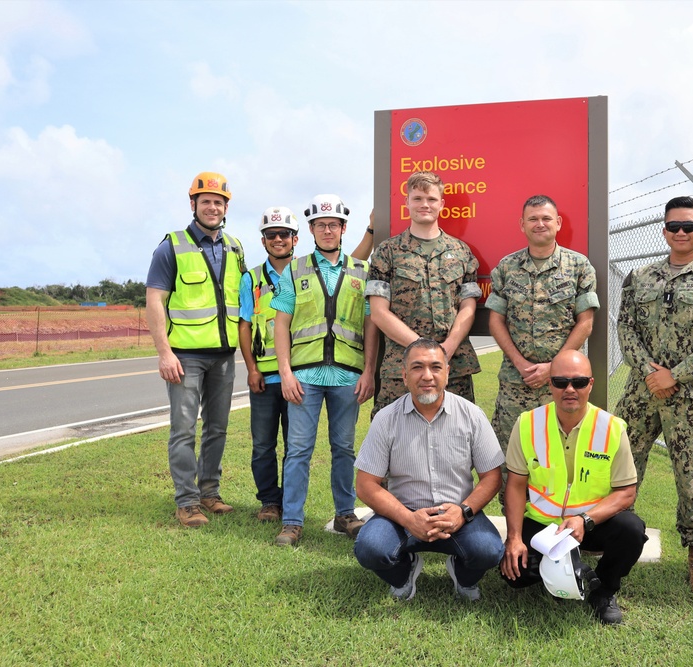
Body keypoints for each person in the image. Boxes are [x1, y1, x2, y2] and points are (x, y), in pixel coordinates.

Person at [615, 196, 693, 596]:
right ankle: (616, 545)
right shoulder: (640, 277)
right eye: (674, 226)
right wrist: (649, 373)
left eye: (690, 226)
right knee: (620, 469)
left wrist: (675, 375)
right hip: (641, 392)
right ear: (664, 231)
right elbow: (625, 328)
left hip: (692, 399)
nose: (682, 233)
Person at [500, 350, 646, 625]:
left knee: (631, 530)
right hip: (543, 525)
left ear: (590, 384)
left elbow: (626, 492)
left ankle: (603, 590)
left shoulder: (612, 428)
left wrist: (584, 520)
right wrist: (515, 538)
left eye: (578, 382)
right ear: (550, 384)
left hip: (590, 525)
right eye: (560, 382)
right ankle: (571, 570)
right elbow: (516, 486)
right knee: (514, 577)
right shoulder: (527, 424)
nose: (570, 389)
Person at [353, 338, 504, 601]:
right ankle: (404, 571)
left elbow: (492, 477)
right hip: (402, 516)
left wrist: (463, 511)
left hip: (458, 514)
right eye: (417, 367)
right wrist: (408, 519)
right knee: (370, 548)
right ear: (404, 375)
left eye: (435, 367)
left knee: (488, 550)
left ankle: (462, 574)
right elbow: (366, 484)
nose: (427, 376)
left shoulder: (471, 415)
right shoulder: (386, 419)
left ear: (447, 372)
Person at [270, 195, 378, 546]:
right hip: (304, 379)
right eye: (320, 225)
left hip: (348, 377)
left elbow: (371, 326)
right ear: (312, 230)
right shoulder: (295, 270)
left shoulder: (362, 272)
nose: (327, 230)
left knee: (344, 448)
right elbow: (281, 325)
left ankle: (346, 514)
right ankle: (291, 521)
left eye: (333, 224)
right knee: (298, 449)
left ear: (344, 228)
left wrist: (370, 372)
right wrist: (285, 373)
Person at [146, 171, 245, 527]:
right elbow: (154, 300)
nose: (213, 207)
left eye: (219, 202)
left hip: (223, 356)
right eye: (206, 201)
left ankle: (209, 493)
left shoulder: (235, 247)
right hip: (184, 357)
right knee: (184, 429)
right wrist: (164, 353)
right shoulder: (171, 246)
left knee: (217, 427)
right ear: (194, 204)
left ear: (226, 207)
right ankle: (186, 502)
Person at [488, 194, 598, 459]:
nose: (540, 224)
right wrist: (520, 363)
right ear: (522, 225)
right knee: (510, 458)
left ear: (558, 222)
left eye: (546, 218)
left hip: (562, 386)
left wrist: (553, 368)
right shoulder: (506, 267)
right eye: (533, 219)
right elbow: (495, 320)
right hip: (516, 382)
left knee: (560, 455)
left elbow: (585, 323)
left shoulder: (579, 266)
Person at [366, 171, 481, 416]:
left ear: (442, 203)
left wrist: (447, 348)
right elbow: (378, 312)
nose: (424, 205)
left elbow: (468, 307)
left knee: (458, 435)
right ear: (407, 203)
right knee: (394, 438)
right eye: (417, 198)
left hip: (453, 366)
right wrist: (421, 349)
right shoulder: (387, 252)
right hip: (402, 369)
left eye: (430, 199)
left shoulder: (462, 252)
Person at [237, 207, 299, 522]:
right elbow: (245, 325)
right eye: (271, 235)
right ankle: (269, 503)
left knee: (295, 446)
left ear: (295, 239)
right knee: (263, 445)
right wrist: (251, 368)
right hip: (264, 377)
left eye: (284, 234)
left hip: (298, 376)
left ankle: (290, 503)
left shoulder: (306, 274)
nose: (278, 239)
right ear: (263, 241)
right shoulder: (251, 279)